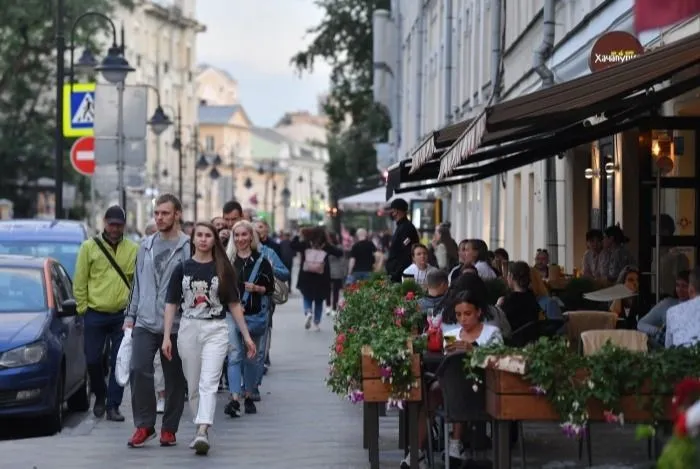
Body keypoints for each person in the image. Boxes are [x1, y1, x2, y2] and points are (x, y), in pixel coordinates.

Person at [162, 222, 256, 455]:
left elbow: (234, 304)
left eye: (208, 236)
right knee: (193, 385)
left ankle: (203, 430)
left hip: (216, 329)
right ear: (193, 239)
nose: (203, 239)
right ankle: (199, 427)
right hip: (188, 329)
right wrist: (166, 337)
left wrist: (246, 336)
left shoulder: (223, 269)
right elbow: (171, 304)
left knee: (209, 383)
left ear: (214, 240)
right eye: (199, 235)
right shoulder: (181, 268)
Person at [124, 194, 190, 448]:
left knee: (174, 379)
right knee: (138, 368)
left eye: (165, 213)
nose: (160, 217)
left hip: (175, 323)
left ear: (177, 214)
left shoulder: (188, 246)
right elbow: (137, 284)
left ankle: (169, 429)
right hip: (145, 320)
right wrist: (130, 316)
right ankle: (144, 425)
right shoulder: (145, 245)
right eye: (157, 213)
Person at [73, 206, 139, 421]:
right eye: (111, 224)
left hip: (123, 314)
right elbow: (80, 281)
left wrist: (134, 312)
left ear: (124, 226)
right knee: (92, 360)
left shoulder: (133, 249)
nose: (115, 228)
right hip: (95, 312)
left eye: (119, 225)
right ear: (104, 223)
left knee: (119, 361)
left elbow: (137, 283)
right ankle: (100, 396)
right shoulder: (88, 247)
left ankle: (113, 406)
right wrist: (83, 309)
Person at [224, 220, 275, 416]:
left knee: (251, 358)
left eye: (244, 235)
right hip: (231, 315)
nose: (240, 239)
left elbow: (270, 290)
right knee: (235, 355)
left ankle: (249, 393)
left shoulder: (261, 261)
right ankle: (235, 398)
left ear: (251, 237)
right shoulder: (228, 261)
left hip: (253, 315)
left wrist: (256, 288)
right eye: (236, 235)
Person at [291, 226, 343, 330]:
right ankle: (316, 322)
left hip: (306, 275)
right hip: (322, 276)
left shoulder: (306, 244)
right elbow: (339, 253)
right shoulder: (326, 246)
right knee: (319, 300)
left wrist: (298, 235)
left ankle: (308, 312)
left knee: (307, 296)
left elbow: (292, 245)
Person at [385, 198, 420, 283]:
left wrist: (397, 273)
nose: (391, 213)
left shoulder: (406, 228)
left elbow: (406, 253)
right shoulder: (401, 227)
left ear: (397, 211)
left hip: (401, 275)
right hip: (397, 273)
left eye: (392, 210)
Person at [666, 267, 700, 348]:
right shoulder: (671, 310)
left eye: (684, 286)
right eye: (677, 285)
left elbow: (668, 349)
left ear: (690, 289)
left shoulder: (672, 312)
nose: (680, 290)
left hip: (682, 359)